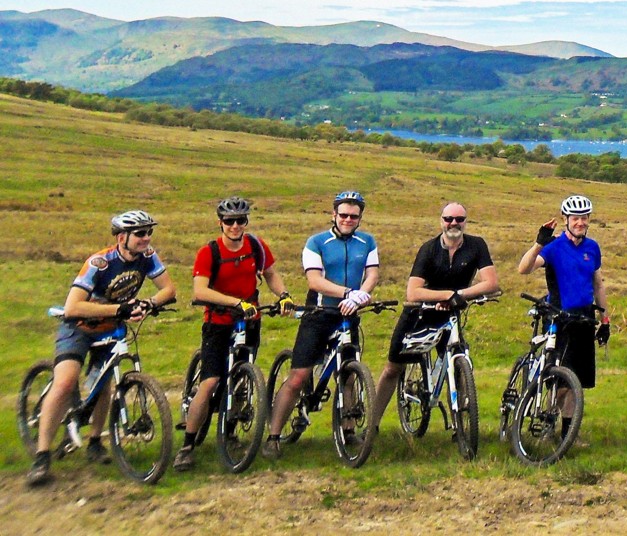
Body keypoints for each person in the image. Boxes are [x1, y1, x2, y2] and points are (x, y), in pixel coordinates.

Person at [27, 211, 177, 488]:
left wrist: (149, 303)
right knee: (65, 382)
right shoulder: (99, 262)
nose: (146, 238)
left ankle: (96, 441)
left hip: (110, 327)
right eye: (140, 234)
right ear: (122, 238)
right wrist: (120, 308)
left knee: (107, 380)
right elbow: (73, 307)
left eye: (148, 233)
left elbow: (168, 289)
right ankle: (42, 455)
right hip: (79, 327)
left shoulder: (147, 257)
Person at [175, 197, 293, 471]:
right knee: (211, 382)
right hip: (219, 322)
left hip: (250, 320)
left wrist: (284, 295)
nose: (235, 226)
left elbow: (271, 274)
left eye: (241, 221)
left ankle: (230, 432)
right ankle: (187, 445)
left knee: (242, 377)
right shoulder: (209, 252)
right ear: (220, 223)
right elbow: (200, 291)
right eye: (230, 221)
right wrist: (235, 303)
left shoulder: (255, 245)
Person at [263, 190, 379, 459]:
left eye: (354, 216)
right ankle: (273, 435)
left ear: (360, 218)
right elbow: (314, 281)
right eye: (344, 215)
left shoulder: (367, 241)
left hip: (349, 313)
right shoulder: (317, 242)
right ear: (333, 215)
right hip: (319, 313)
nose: (348, 219)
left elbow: (372, 273)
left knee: (349, 374)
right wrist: (348, 293)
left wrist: (363, 293)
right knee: (298, 377)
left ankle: (348, 430)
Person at [370, 202, 500, 436]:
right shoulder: (428, 249)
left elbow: (491, 283)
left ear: (465, 222)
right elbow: (413, 292)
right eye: (449, 218)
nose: (454, 223)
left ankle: (459, 427)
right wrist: (447, 295)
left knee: (458, 365)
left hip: (451, 313)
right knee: (393, 367)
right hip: (419, 313)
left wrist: (457, 297)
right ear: (441, 220)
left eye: (459, 219)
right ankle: (372, 425)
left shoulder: (477, 245)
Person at [518, 194, 610, 441]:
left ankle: (568, 434)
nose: (580, 222)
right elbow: (523, 269)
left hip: (584, 318)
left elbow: (598, 284)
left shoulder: (592, 247)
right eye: (575, 217)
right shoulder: (554, 246)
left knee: (576, 381)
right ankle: (548, 421)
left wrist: (605, 318)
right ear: (565, 219)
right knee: (561, 379)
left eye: (584, 217)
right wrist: (539, 243)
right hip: (559, 318)